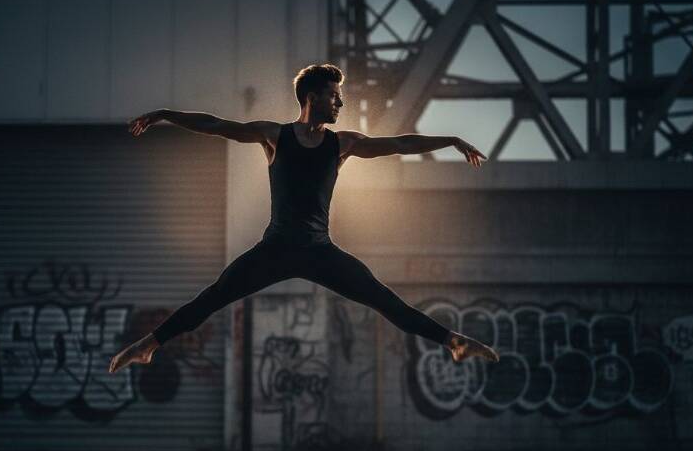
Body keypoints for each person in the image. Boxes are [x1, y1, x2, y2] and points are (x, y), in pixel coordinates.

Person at [109, 63, 497, 373]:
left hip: (319, 252)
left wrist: (450, 140)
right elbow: (217, 125)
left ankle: (454, 342)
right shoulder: (274, 135)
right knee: (214, 296)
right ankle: (148, 346)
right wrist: (165, 114)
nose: (340, 103)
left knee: (383, 299)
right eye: (334, 95)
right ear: (312, 97)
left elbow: (399, 143)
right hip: (275, 250)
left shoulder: (342, 143)